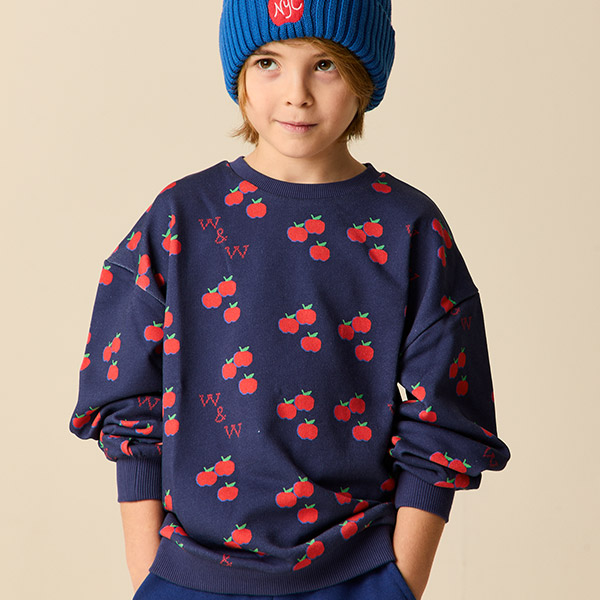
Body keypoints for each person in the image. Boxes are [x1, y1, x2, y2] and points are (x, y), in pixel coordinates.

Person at [70, 1, 510, 599]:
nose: (296, 93)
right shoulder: (180, 217)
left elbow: (449, 413)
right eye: (268, 62)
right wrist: (149, 571)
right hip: (188, 572)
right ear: (239, 76)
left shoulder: (408, 227)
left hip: (357, 572)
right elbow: (125, 399)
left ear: (365, 75)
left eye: (324, 64)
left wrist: (399, 582)